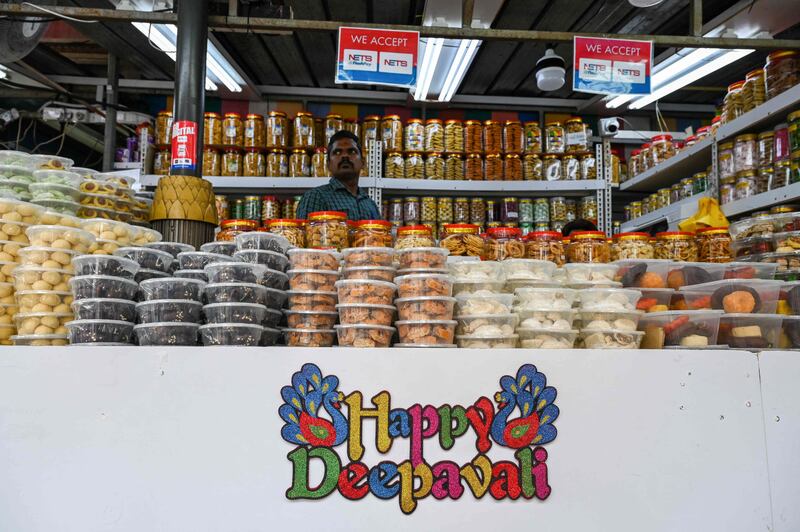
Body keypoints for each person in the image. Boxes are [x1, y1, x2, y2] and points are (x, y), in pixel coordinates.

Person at [296, 130, 381, 220]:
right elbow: (306, 232)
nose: (345, 156)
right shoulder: (316, 197)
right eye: (337, 152)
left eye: (352, 151)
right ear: (328, 164)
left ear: (362, 162)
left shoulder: (370, 203)